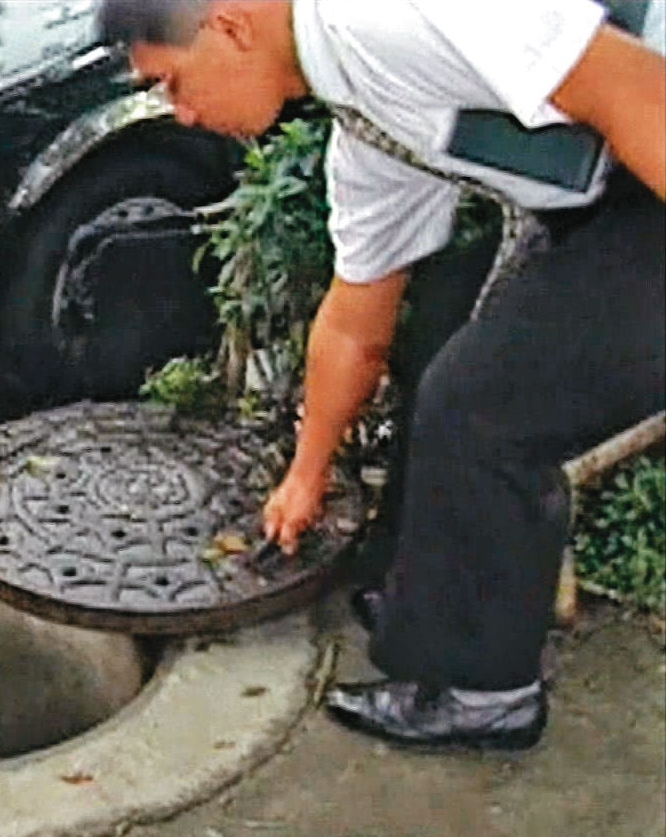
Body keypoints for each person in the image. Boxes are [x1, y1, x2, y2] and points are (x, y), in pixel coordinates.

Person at [97, 0, 665, 749]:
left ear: (227, 27)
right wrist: (305, 475)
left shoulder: (380, 17)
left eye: (172, 84)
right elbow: (354, 320)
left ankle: (485, 692)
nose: (185, 116)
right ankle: (425, 614)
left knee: (480, 407)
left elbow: (626, 82)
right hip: (611, 192)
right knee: (440, 357)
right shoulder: (365, 117)